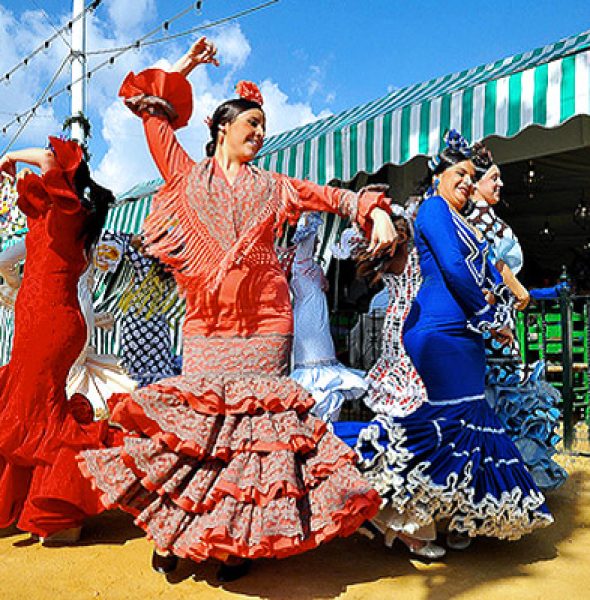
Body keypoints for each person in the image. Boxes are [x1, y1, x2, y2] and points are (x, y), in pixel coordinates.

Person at [79, 37, 395, 582]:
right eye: (252, 122)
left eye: (263, 126)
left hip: (268, 324)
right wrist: (184, 67)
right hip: (206, 326)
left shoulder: (275, 187)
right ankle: (176, 529)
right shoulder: (183, 177)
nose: (260, 133)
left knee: (252, 440)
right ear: (223, 126)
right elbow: (153, 114)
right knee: (199, 435)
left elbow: (334, 198)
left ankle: (234, 542)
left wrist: (376, 212)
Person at [335, 130, 553, 553]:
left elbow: (488, 268)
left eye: (473, 176)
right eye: (461, 174)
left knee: (464, 426)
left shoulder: (463, 221)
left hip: (464, 335)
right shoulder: (434, 210)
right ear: (438, 176)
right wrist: (488, 316)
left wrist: (501, 309)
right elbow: (454, 268)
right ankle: (392, 508)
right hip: (437, 333)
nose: (468, 183)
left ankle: (447, 517)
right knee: (446, 425)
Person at [0, 137, 113, 542]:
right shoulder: (51, 214)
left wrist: (10, 156)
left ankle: (62, 513)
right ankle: (46, 508)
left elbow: (47, 158)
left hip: (50, 324)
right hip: (36, 322)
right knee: (31, 407)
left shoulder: (70, 214)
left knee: (37, 412)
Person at [464, 144, 567, 491]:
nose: (500, 184)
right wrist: (520, 291)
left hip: (488, 320)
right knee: (499, 405)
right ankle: (497, 491)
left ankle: (486, 491)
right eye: (494, 178)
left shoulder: (467, 218)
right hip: (494, 323)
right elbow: (494, 262)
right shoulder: (480, 220)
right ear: (475, 183)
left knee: (485, 405)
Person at [289, 212, 367, 423]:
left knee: (326, 370)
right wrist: (310, 217)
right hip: (307, 320)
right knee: (315, 369)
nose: (317, 243)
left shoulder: (312, 265)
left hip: (317, 316)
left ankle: (327, 420)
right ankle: (316, 419)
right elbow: (304, 239)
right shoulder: (300, 263)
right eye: (315, 240)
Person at [95, 230, 181, 387]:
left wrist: (134, 238)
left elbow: (109, 236)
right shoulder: (171, 270)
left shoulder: (144, 265)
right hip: (158, 328)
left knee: (135, 375)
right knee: (158, 374)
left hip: (137, 326)